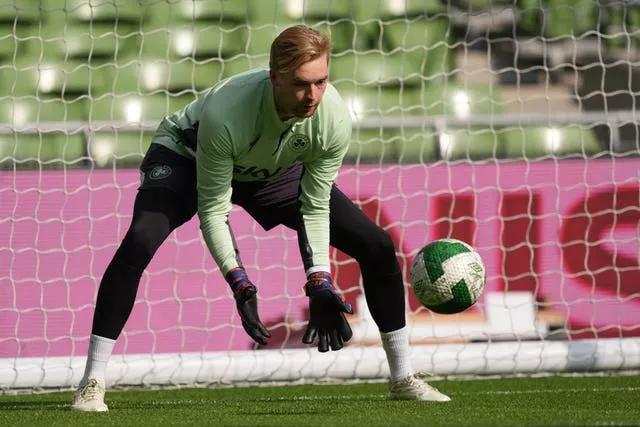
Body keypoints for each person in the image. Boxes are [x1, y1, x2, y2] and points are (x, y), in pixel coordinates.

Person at [71, 25, 450, 412]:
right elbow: (215, 209)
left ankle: (403, 377)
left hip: (270, 169)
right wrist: (238, 281)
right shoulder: (227, 111)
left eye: (321, 82)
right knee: (141, 239)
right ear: (275, 77)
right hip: (188, 157)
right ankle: (91, 382)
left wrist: (319, 279)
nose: (312, 96)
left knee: (377, 245)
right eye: (302, 84)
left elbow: (314, 205)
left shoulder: (332, 117)